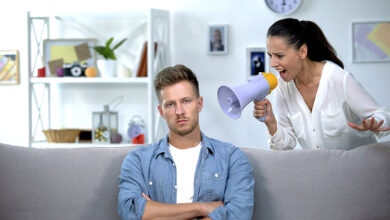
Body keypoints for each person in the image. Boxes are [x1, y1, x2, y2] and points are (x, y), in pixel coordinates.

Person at [118, 64, 254, 220]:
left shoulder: (232, 158)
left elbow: (238, 215)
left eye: (186, 101)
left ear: (199, 104)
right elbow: (130, 212)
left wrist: (156, 213)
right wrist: (202, 208)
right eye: (170, 104)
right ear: (161, 112)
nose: (179, 111)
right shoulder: (138, 160)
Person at [253, 18, 390, 150]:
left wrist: (376, 122)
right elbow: (284, 146)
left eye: (280, 56)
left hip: (360, 167)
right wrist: (270, 122)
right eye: (270, 55)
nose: (272, 64)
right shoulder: (282, 87)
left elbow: (382, 114)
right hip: (322, 169)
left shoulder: (339, 79)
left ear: (302, 51)